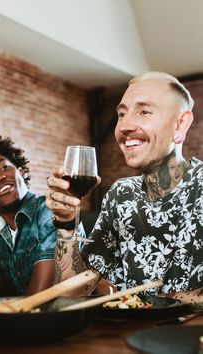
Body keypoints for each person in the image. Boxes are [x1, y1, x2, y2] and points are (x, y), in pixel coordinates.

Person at [45, 71, 203, 303]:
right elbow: (72, 292)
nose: (125, 126)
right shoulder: (121, 195)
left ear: (180, 124)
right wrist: (67, 223)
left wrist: (159, 305)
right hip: (128, 337)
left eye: (144, 112)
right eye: (121, 114)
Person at [0, 133, 56, 297]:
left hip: (65, 320)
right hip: (22, 320)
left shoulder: (50, 211)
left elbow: (41, 296)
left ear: (21, 172)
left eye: (4, 168)